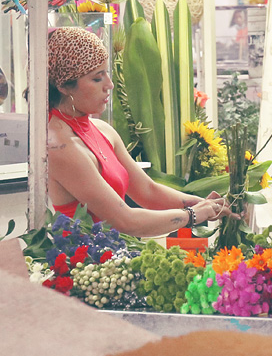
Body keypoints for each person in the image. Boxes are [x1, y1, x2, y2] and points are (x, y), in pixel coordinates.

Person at [46, 27, 228, 237]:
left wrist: (205, 204)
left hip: (115, 257)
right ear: (65, 87)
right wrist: (192, 215)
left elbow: (148, 191)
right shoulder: (59, 145)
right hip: (85, 264)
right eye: (97, 78)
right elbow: (126, 221)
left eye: (107, 73)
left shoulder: (102, 130)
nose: (110, 85)